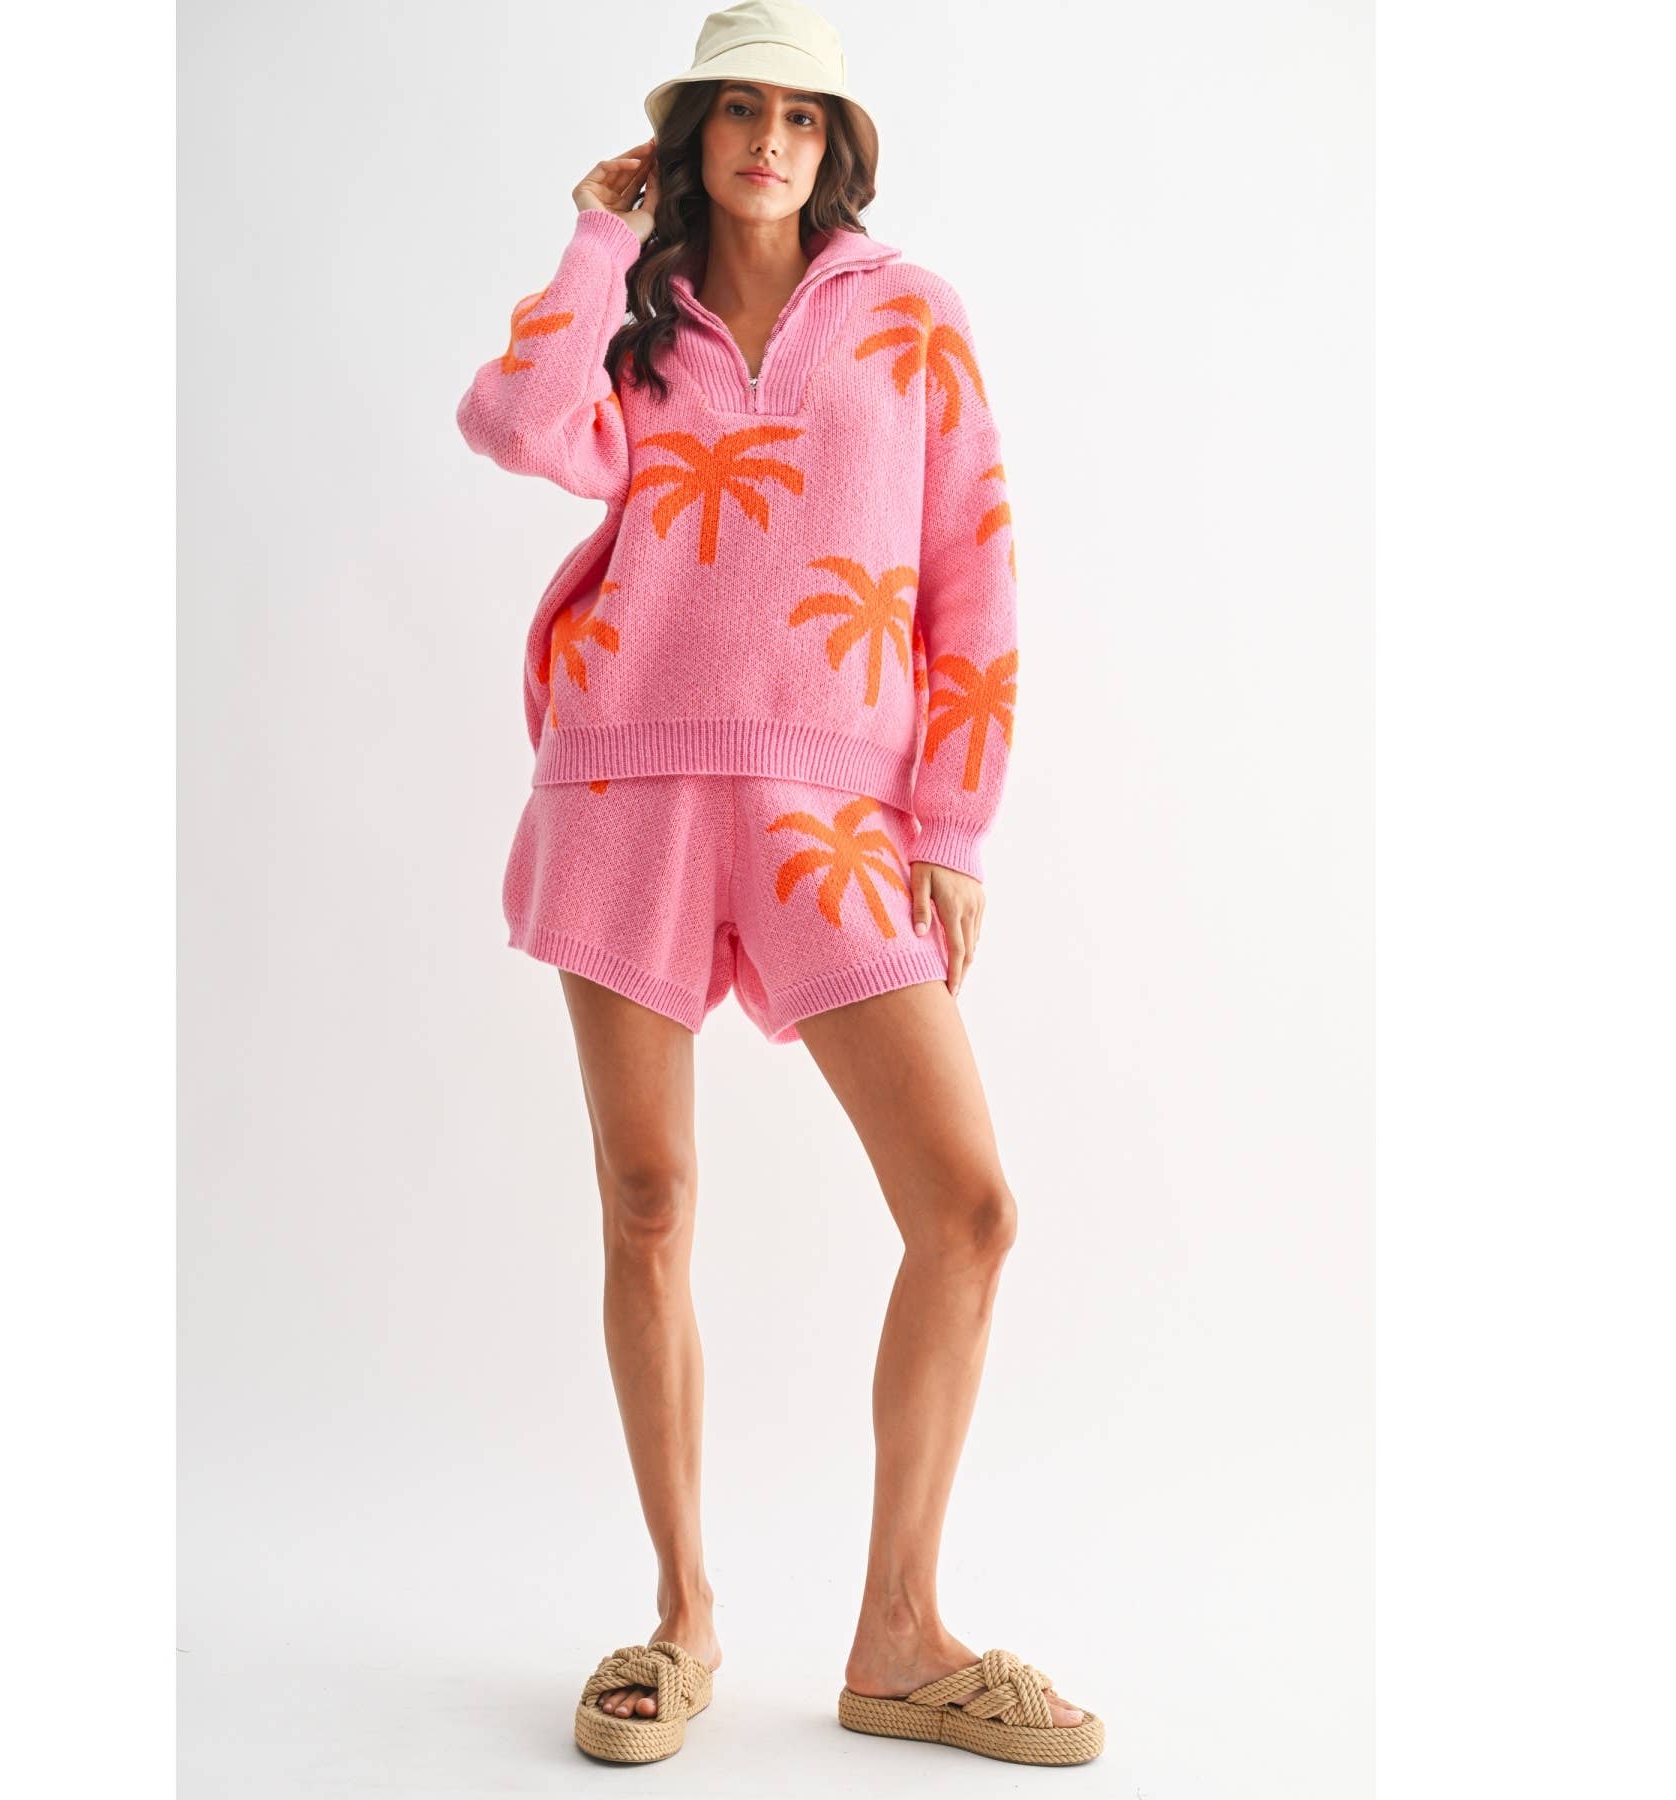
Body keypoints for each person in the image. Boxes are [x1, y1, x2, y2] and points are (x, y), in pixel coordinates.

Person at [453, 0, 1101, 1770]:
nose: (768, 142)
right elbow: (514, 421)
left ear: (838, 145)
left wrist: (949, 830)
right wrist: (598, 234)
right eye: (737, 111)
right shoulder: (638, 317)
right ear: (694, 138)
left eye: (799, 118)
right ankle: (682, 1616)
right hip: (629, 786)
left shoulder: (911, 316)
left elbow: (973, 572)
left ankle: (901, 1636)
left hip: (835, 815)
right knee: (647, 1201)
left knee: (967, 1209)